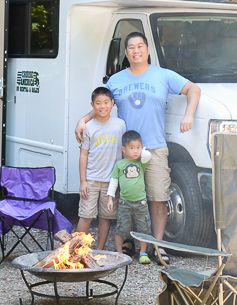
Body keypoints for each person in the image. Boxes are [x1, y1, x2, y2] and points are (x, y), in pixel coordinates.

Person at [76, 32, 200, 265]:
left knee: (157, 198)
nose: (136, 51)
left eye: (140, 46)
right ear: (126, 53)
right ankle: (131, 242)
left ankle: (159, 246)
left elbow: (194, 89)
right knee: (128, 199)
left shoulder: (163, 75)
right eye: (131, 48)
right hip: (123, 152)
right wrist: (83, 119)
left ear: (147, 50)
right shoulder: (116, 80)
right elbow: (103, 105)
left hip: (154, 148)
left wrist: (189, 115)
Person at [76, 87, 125, 251]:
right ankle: (77, 250)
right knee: (86, 215)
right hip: (91, 179)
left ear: (112, 104)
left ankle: (100, 249)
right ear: (92, 105)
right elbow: (83, 155)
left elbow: (124, 152)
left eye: (106, 103)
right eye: (98, 103)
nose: (102, 107)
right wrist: (83, 181)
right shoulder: (88, 127)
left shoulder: (120, 125)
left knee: (106, 217)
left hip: (111, 180)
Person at [107, 130, 153, 264]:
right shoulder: (120, 165)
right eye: (131, 148)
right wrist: (110, 198)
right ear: (123, 149)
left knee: (143, 228)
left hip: (141, 202)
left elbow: (148, 155)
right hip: (124, 203)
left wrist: (142, 150)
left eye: (138, 147)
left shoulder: (141, 162)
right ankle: (119, 254)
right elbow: (114, 182)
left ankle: (142, 252)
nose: (135, 151)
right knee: (122, 228)